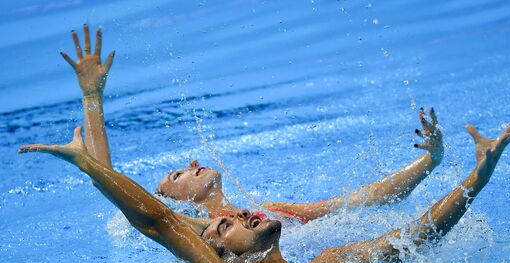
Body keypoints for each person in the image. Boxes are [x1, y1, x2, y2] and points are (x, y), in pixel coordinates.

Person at [18, 117, 510, 263]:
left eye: (232, 216)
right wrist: (88, 152)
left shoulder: (321, 257)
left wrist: (471, 174)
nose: (235, 217)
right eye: (174, 174)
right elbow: (148, 216)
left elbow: (413, 233)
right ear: (218, 248)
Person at [61, 25, 445, 222]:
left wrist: (430, 161)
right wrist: (92, 98)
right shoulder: (196, 231)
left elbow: (362, 201)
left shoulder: (271, 213)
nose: (192, 165)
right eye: (178, 175)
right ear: (181, 202)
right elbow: (107, 181)